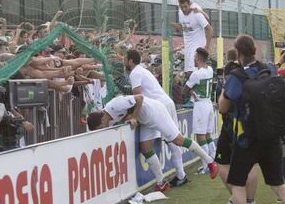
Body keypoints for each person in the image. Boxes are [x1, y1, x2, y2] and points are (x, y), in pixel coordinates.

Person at [87, 95, 218, 192]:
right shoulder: (104, 117)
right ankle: (161, 183)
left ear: (103, 118)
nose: (103, 128)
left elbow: (139, 98)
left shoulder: (115, 105)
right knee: (145, 148)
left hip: (155, 112)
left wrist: (133, 116)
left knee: (178, 140)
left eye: (101, 126)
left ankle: (210, 161)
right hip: (145, 121)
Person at [218, 34, 285, 204]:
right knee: (278, 184)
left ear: (238, 52)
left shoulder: (237, 76)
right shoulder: (269, 68)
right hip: (271, 135)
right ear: (254, 50)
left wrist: (226, 84)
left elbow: (223, 107)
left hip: (246, 139)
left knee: (238, 184)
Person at [124, 49, 188, 187]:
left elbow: (138, 97)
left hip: (160, 107)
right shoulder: (142, 70)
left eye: (125, 58)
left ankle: (183, 174)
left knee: (174, 140)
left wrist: (134, 116)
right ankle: (168, 179)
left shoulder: (135, 72)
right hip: (156, 108)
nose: (124, 61)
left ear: (130, 61)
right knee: (149, 145)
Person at [215, 59, 258, 204]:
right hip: (250, 128)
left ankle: (237, 199)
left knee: (223, 164)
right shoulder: (251, 84)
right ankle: (250, 200)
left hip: (230, 128)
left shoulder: (226, 86)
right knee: (250, 164)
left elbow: (222, 108)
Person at [184, 48, 216, 173]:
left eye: (195, 55)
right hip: (208, 103)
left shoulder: (196, 74)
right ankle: (212, 160)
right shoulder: (210, 70)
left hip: (200, 105)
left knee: (200, 136)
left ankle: (206, 166)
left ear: (198, 57)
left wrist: (192, 92)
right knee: (208, 135)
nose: (193, 57)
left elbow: (185, 89)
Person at [177, 0, 213, 74]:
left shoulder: (197, 14)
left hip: (197, 49)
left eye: (185, 6)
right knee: (188, 73)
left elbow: (210, 29)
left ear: (190, 4)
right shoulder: (180, 14)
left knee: (196, 73)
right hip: (188, 50)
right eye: (181, 7)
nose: (183, 9)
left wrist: (206, 47)